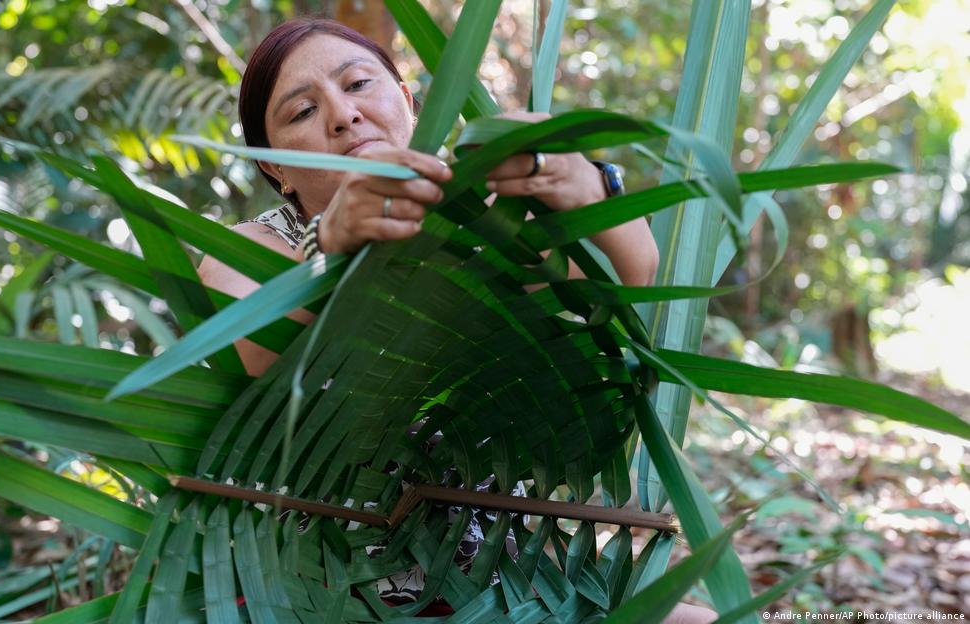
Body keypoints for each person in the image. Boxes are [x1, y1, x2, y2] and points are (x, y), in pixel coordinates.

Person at [199, 17, 709, 623]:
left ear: (410, 103)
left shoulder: (485, 208)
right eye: (302, 111)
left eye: (359, 83)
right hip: (334, 583)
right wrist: (331, 247)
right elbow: (257, 352)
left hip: (509, 576)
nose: (343, 115)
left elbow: (628, 278)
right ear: (274, 168)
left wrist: (584, 185)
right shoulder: (249, 250)